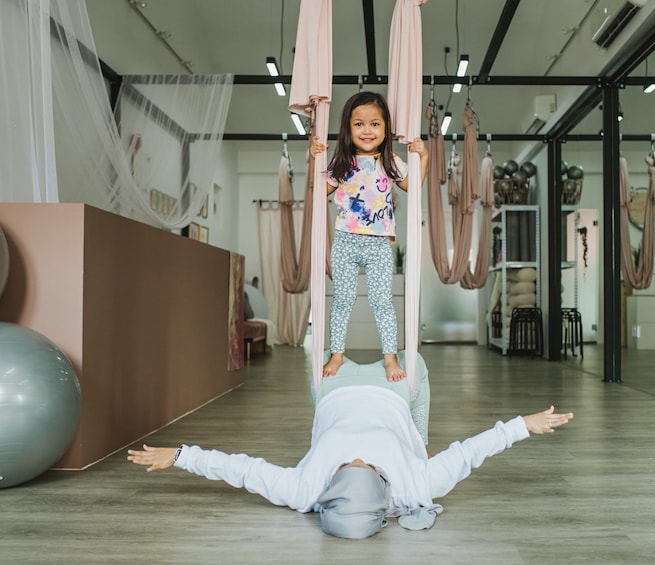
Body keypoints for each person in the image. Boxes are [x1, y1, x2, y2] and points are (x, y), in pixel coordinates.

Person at [128, 364, 573, 540]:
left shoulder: (306, 490)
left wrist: (181, 454)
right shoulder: (416, 487)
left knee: (321, 351)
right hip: (397, 390)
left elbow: (244, 471)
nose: (359, 459)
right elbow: (471, 451)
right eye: (369, 470)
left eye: (346, 469)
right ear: (384, 490)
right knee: (416, 374)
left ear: (330, 487)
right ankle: (414, 435)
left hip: (332, 388)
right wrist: (523, 426)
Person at [310, 91, 429, 382]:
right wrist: (314, 159)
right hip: (345, 242)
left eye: (375, 124)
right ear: (348, 129)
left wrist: (423, 157)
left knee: (381, 301)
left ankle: (390, 358)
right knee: (342, 300)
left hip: (378, 244)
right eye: (359, 124)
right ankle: (336, 354)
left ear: (386, 128)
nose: (367, 130)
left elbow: (412, 186)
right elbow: (320, 189)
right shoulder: (341, 162)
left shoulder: (390, 163)